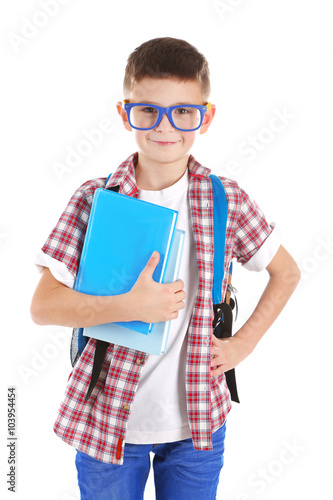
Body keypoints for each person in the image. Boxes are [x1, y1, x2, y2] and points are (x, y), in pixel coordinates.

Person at [30, 37, 300, 500]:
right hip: (107, 422)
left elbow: (287, 272)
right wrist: (128, 305)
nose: (165, 127)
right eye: (148, 111)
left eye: (183, 112)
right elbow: (43, 306)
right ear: (125, 112)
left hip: (197, 425)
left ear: (205, 117)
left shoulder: (226, 199)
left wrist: (242, 346)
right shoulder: (95, 200)